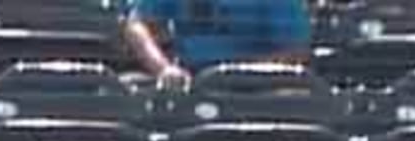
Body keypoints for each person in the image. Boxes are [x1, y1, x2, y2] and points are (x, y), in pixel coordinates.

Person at [121, 0, 312, 86]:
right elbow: (138, 25)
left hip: (258, 83)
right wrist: (163, 68)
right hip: (190, 79)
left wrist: (245, 76)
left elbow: (296, 49)